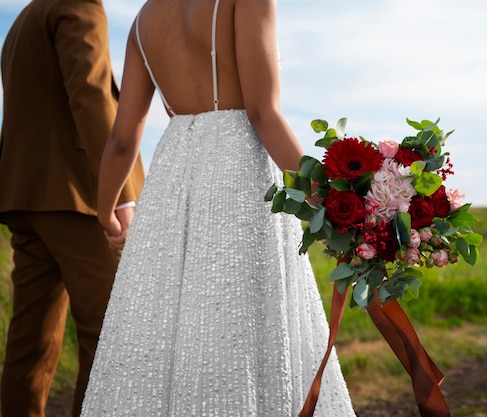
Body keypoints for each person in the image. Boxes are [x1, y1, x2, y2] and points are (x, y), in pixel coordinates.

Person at [80, 0, 355, 415]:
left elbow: (122, 139)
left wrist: (106, 213)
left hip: (172, 179)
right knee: (242, 324)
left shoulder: (143, 20)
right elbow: (264, 114)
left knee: (166, 324)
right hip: (239, 175)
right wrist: (331, 201)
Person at [0, 0, 145, 416]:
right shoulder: (77, 4)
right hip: (77, 196)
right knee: (109, 331)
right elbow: (91, 92)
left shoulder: (24, 20)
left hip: (27, 195)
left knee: (32, 337)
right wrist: (118, 194)